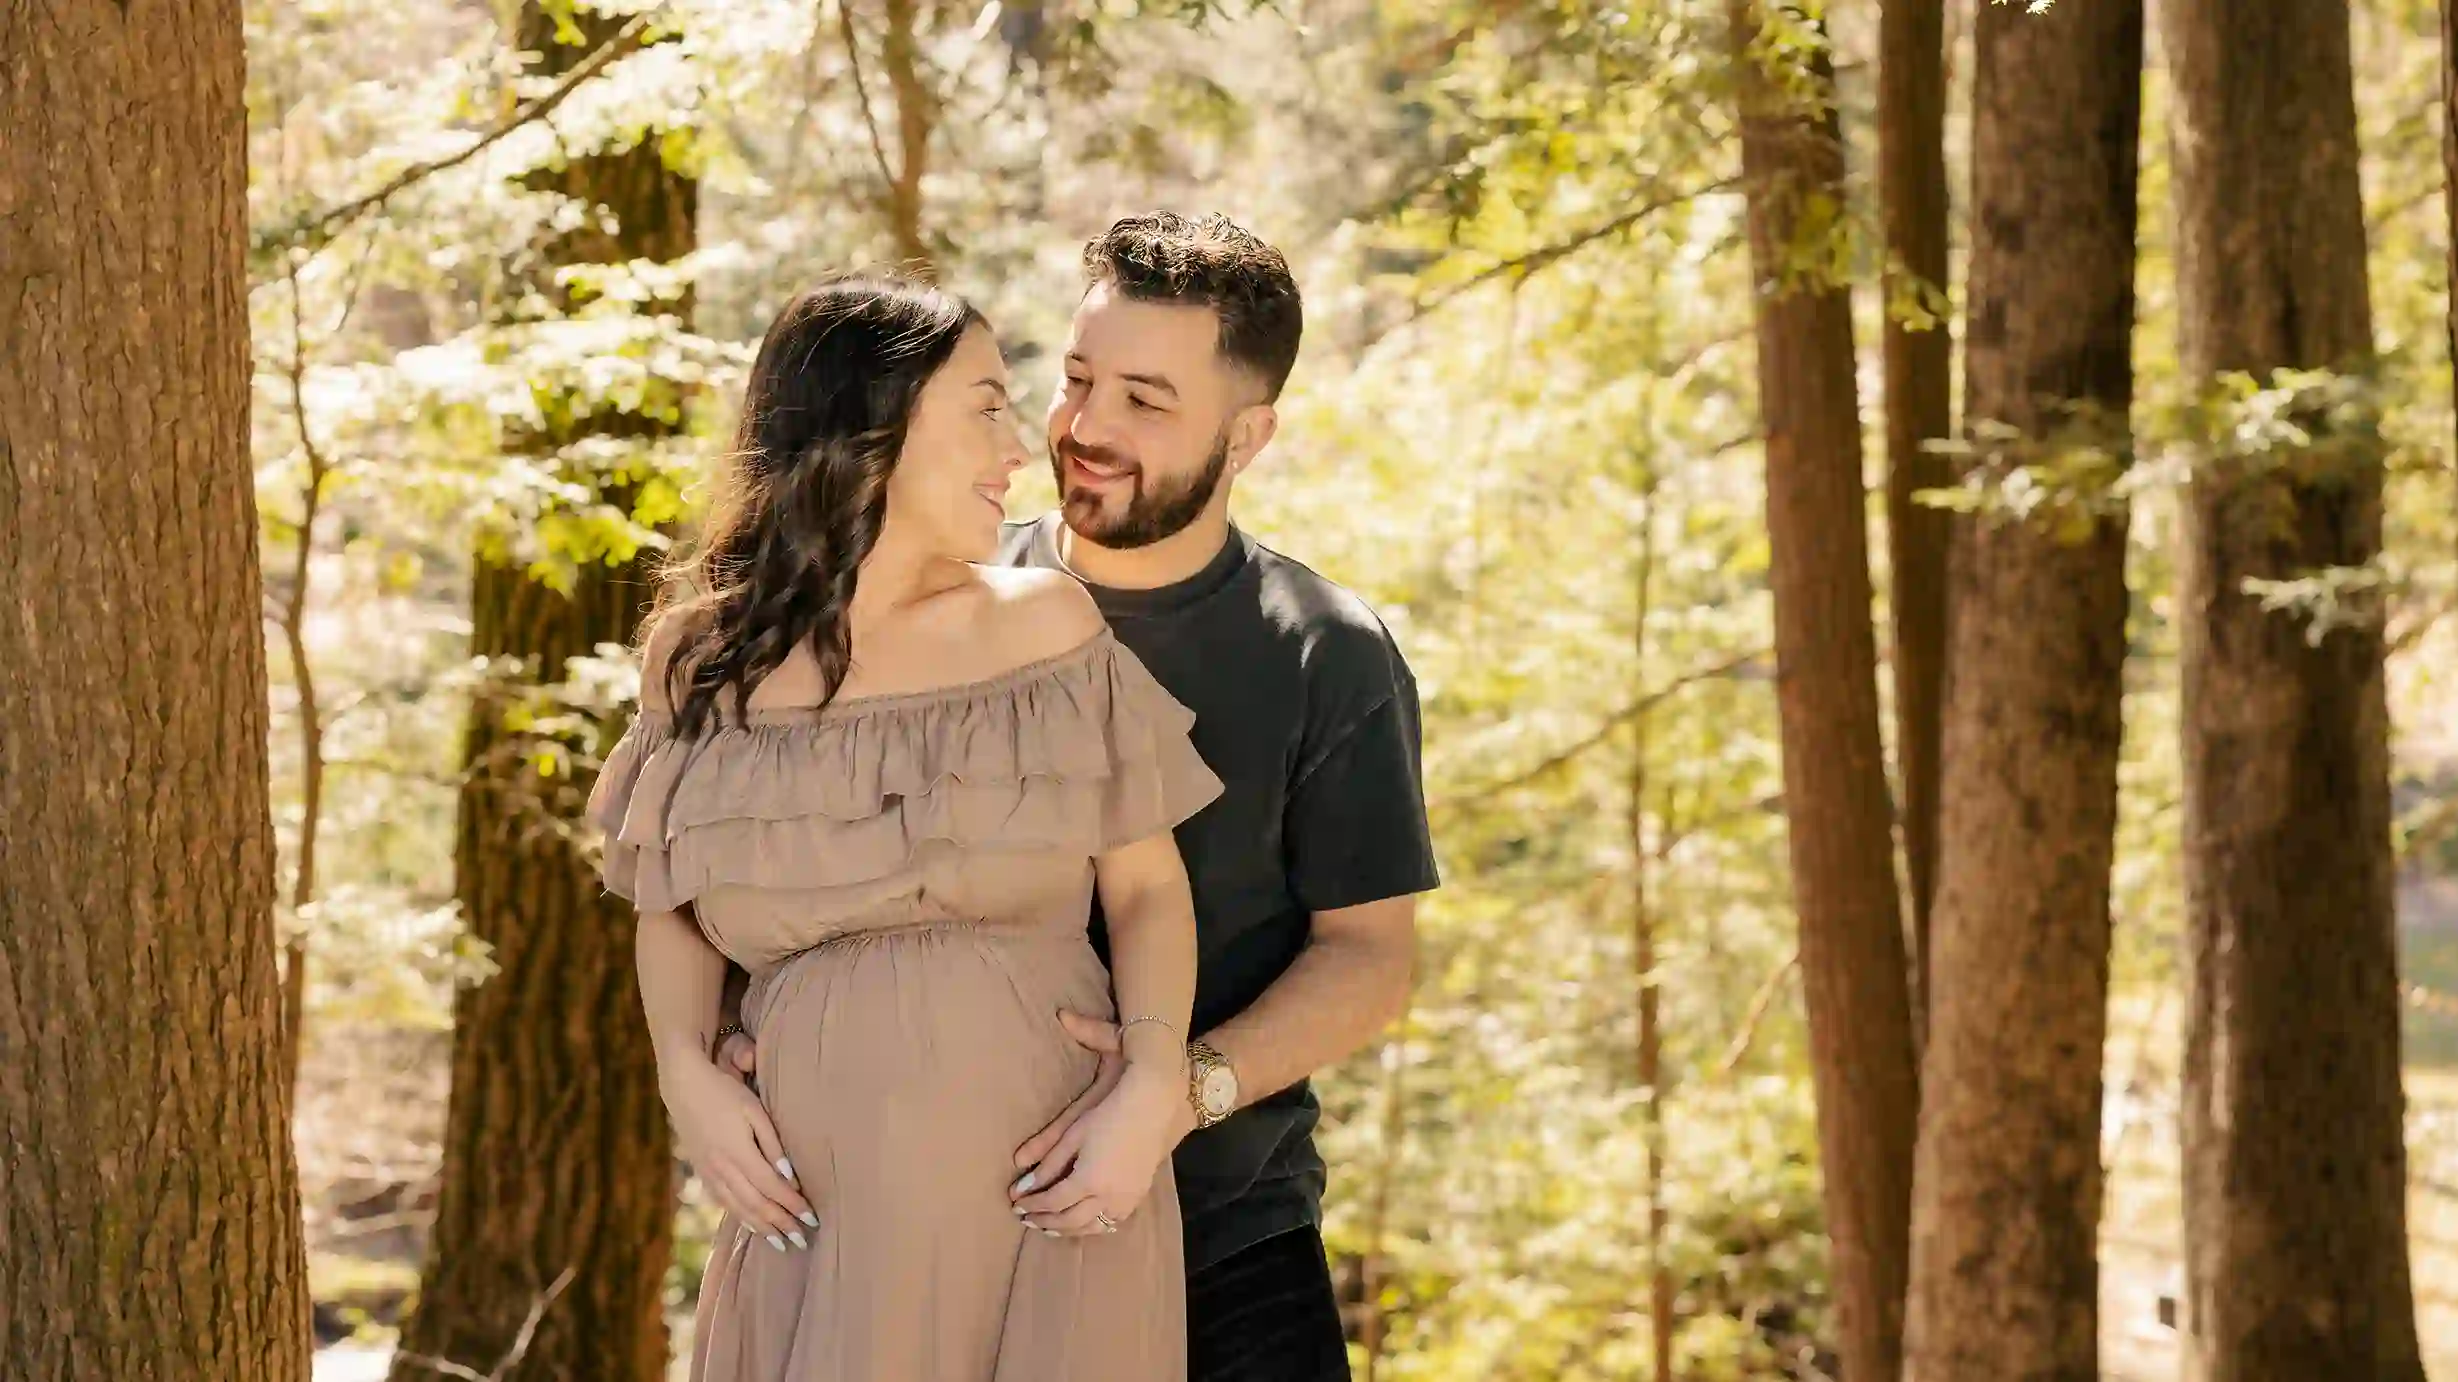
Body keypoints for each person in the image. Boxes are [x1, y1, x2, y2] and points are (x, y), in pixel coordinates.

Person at [736, 212, 1441, 1381]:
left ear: (1248, 434)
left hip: (1227, 1238)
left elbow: (1369, 952)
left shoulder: (1327, 653)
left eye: (1147, 401)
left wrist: (1178, 1088)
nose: (1085, 427)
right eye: (1075, 379)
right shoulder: (929, 600)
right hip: (921, 1246)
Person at [590, 273, 1222, 1381]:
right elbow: (673, 909)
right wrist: (683, 1073)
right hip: (813, 1201)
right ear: (871, 425)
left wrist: (1149, 1086)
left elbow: (1147, 890)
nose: (1017, 447)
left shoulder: (1042, 626)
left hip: (1053, 1183)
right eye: (982, 405)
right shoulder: (698, 661)